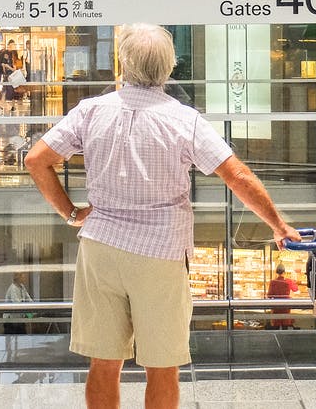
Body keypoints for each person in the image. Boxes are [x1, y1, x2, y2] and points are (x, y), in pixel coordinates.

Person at [24, 23, 300, 409]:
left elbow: (37, 160)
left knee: (103, 362)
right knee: (163, 366)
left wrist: (71, 213)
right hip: (160, 252)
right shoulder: (183, 120)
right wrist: (279, 225)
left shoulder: (91, 111)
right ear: (169, 69)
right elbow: (236, 175)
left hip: (100, 246)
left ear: (122, 64)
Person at [266, 264, 299, 330]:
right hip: (286, 306)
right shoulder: (288, 281)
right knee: (285, 324)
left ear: (276, 272)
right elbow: (296, 290)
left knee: (276, 325)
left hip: (276, 307)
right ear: (284, 272)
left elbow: (269, 295)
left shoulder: (273, 282)